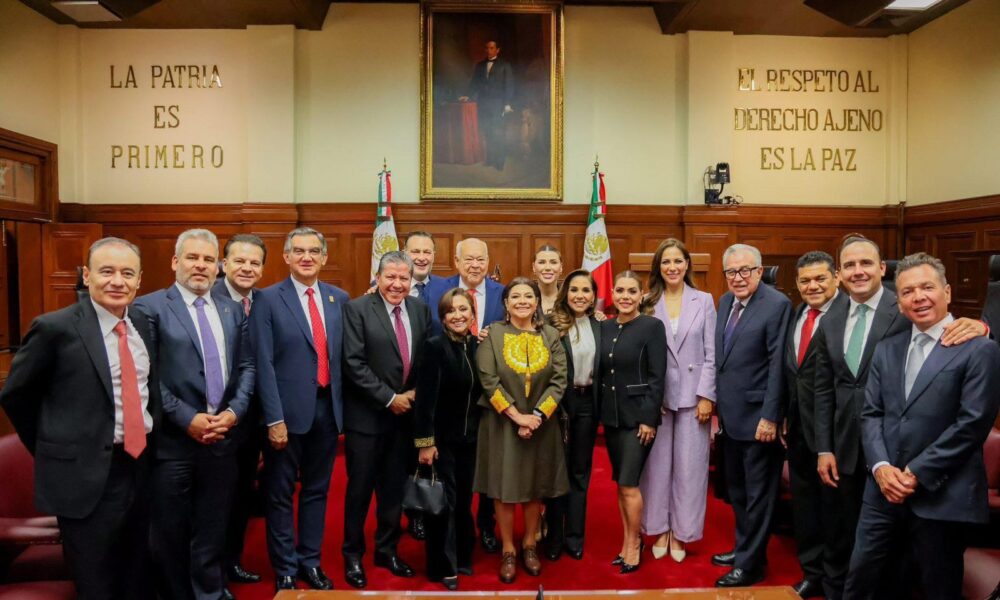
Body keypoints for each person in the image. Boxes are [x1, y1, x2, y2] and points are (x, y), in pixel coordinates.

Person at [811, 235, 986, 599]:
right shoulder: (855, 330)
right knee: (860, 574)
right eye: (908, 292)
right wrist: (879, 466)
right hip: (875, 474)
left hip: (939, 488)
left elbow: (972, 422)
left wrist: (984, 326)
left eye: (927, 288)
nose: (918, 297)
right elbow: (859, 405)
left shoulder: (969, 344)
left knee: (929, 583)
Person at [0, 237, 158, 600]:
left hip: (139, 467)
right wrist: (56, 449)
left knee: (137, 574)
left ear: (139, 280)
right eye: (106, 271)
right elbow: (16, 396)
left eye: (127, 273)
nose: (117, 281)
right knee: (95, 582)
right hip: (84, 477)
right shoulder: (55, 328)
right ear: (87, 276)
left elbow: (148, 392)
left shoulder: (143, 324)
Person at [133, 229, 255, 600]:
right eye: (192, 257)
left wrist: (234, 412)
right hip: (173, 444)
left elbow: (247, 366)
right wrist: (187, 418)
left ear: (218, 266)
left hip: (222, 439)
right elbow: (147, 377)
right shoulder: (149, 308)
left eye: (207, 259)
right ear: (175, 262)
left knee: (213, 528)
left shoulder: (232, 308)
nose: (200, 266)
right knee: (170, 532)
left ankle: (209, 592)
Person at [250, 227, 349, 592]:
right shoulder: (267, 299)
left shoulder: (339, 298)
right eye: (299, 251)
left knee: (317, 491)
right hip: (285, 415)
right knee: (279, 494)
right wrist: (274, 418)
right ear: (287, 257)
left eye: (313, 251)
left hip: (327, 411)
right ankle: (286, 567)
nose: (307, 257)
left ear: (324, 257)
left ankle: (310, 561)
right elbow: (263, 363)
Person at [341, 251, 432, 589]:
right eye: (390, 277)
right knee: (360, 491)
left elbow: (425, 358)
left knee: (394, 490)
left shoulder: (420, 310)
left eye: (403, 278)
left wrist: (416, 393)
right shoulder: (356, 309)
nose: (397, 284)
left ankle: (387, 550)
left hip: (404, 419)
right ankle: (352, 554)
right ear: (378, 278)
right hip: (367, 419)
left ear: (411, 280)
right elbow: (353, 363)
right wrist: (390, 398)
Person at [475, 277, 569, 583]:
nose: (522, 301)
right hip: (502, 424)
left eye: (528, 296)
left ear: (537, 302)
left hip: (542, 425)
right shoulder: (493, 334)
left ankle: (529, 544)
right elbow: (488, 379)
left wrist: (536, 417)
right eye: (515, 296)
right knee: (504, 489)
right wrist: (518, 417)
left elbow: (560, 379)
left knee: (534, 486)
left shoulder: (550, 334)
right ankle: (508, 549)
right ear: (506, 303)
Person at [711, 243, 792, 588]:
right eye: (731, 271)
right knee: (739, 492)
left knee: (759, 496)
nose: (738, 277)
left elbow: (778, 365)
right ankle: (745, 549)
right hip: (731, 418)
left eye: (745, 270)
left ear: (760, 271)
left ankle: (752, 565)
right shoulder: (725, 302)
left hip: (760, 420)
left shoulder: (777, 305)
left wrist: (771, 416)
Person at [639, 239, 716, 564]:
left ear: (687, 265)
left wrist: (706, 396)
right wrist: (649, 397)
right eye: (666, 262)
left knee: (690, 469)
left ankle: (682, 532)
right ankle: (659, 529)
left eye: (677, 261)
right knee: (656, 469)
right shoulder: (646, 302)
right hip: (659, 398)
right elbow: (640, 355)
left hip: (693, 399)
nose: (672, 267)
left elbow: (711, 353)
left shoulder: (704, 300)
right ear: (658, 267)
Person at [428, 236, 505, 550]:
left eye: (480, 259)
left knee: (486, 473)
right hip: (447, 410)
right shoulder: (435, 289)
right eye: (468, 259)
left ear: (488, 262)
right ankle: (449, 537)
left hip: (489, 406)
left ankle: (486, 525)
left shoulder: (504, 293)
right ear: (456, 262)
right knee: (451, 482)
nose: (475, 265)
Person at [782, 250, 845, 599]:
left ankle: (836, 579)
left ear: (837, 277)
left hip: (835, 433)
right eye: (805, 280)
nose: (813, 286)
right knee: (805, 506)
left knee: (834, 510)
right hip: (798, 429)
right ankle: (813, 572)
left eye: (820, 278)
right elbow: (792, 371)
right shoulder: (799, 313)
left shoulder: (849, 314)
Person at [413, 288, 484, 590]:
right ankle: (443, 566)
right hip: (440, 443)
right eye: (450, 311)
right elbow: (424, 400)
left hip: (470, 441)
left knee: (464, 501)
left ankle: (463, 556)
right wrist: (425, 443)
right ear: (442, 318)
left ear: (473, 314)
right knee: (443, 505)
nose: (458, 315)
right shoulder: (434, 347)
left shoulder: (476, 347)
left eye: (463, 309)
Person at [599, 271, 667, 575]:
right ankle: (627, 540)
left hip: (638, 420)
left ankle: (634, 543)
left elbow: (657, 376)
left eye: (631, 291)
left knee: (629, 484)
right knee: (621, 485)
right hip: (612, 418)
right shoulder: (605, 326)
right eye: (620, 291)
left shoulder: (652, 327)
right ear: (613, 293)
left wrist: (648, 419)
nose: (625, 296)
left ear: (641, 295)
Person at [214, 233, 267, 592]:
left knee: (240, 496)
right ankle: (210, 572)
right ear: (224, 264)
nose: (247, 268)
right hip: (213, 421)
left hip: (252, 421)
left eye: (254, 262)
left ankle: (231, 561)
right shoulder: (207, 298)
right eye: (239, 261)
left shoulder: (264, 301)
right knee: (213, 501)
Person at [543, 269, 602, 561]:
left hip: (588, 403)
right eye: (574, 290)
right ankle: (553, 536)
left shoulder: (601, 326)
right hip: (558, 404)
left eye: (586, 290)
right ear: (565, 293)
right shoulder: (550, 324)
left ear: (594, 296)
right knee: (557, 472)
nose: (580, 295)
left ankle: (574, 536)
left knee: (580, 472)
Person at [459, 40, 514, 170]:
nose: (489, 50)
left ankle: (499, 161)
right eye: (487, 48)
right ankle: (490, 159)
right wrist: (467, 95)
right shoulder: (479, 65)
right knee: (487, 131)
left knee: (498, 132)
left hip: (498, 104)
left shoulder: (505, 65)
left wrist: (507, 103)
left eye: (492, 48)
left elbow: (509, 85)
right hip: (483, 103)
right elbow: (474, 82)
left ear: (497, 50)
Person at [533, 245, 563, 314]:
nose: (547, 268)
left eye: (553, 262)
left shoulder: (569, 298)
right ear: (534, 267)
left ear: (561, 267)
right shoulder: (525, 298)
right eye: (541, 262)